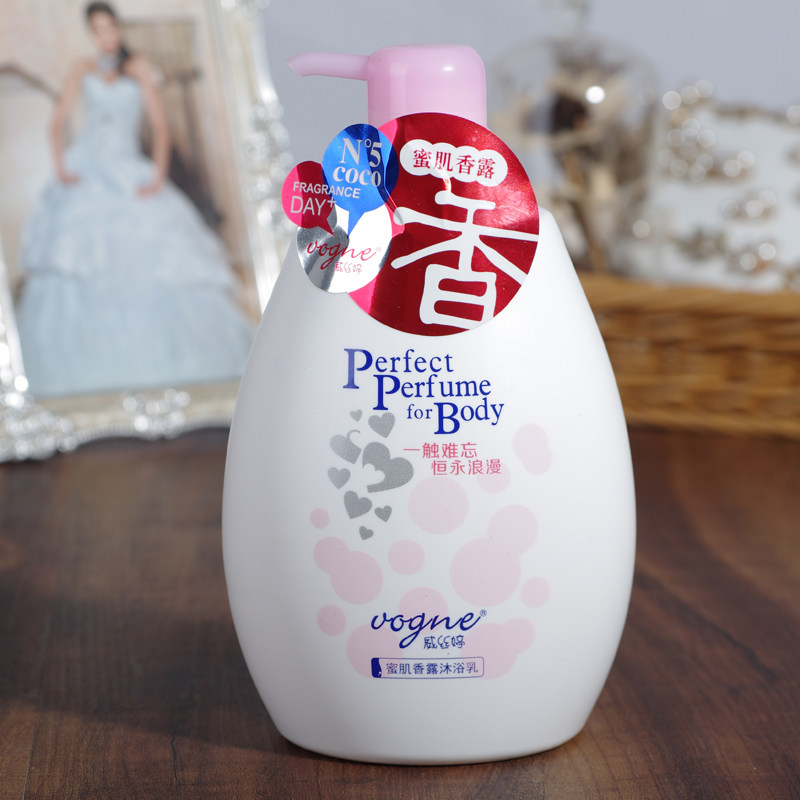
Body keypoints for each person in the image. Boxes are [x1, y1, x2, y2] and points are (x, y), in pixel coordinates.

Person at [15, 1, 254, 398]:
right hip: (88, 168)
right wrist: (61, 168)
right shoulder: (82, 68)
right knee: (77, 258)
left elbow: (159, 126)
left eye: (110, 27)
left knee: (156, 256)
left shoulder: (139, 67)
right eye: (98, 30)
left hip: (130, 168)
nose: (106, 36)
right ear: (92, 34)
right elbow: (56, 122)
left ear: (118, 28)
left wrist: (158, 174)